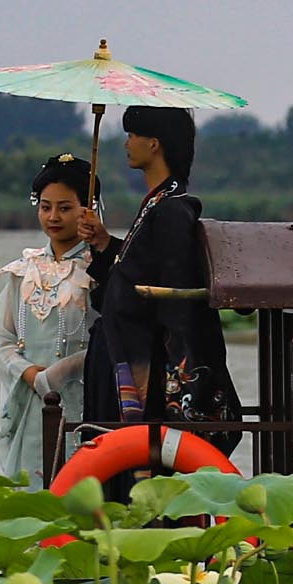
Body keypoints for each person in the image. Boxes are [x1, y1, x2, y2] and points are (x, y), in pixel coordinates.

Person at [79, 103, 243, 450]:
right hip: (126, 351)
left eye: (132, 135)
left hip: (155, 368)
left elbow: (176, 297)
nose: (126, 143)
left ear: (154, 144)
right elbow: (138, 274)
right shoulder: (156, 204)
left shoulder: (171, 210)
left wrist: (182, 377)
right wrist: (104, 242)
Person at [0, 154, 107, 484]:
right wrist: (26, 372)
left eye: (65, 208)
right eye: (45, 206)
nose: (53, 217)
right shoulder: (24, 270)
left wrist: (61, 371)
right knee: (31, 497)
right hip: (31, 403)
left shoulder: (100, 271)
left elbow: (110, 338)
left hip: (83, 403)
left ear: (87, 209)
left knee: (80, 494)